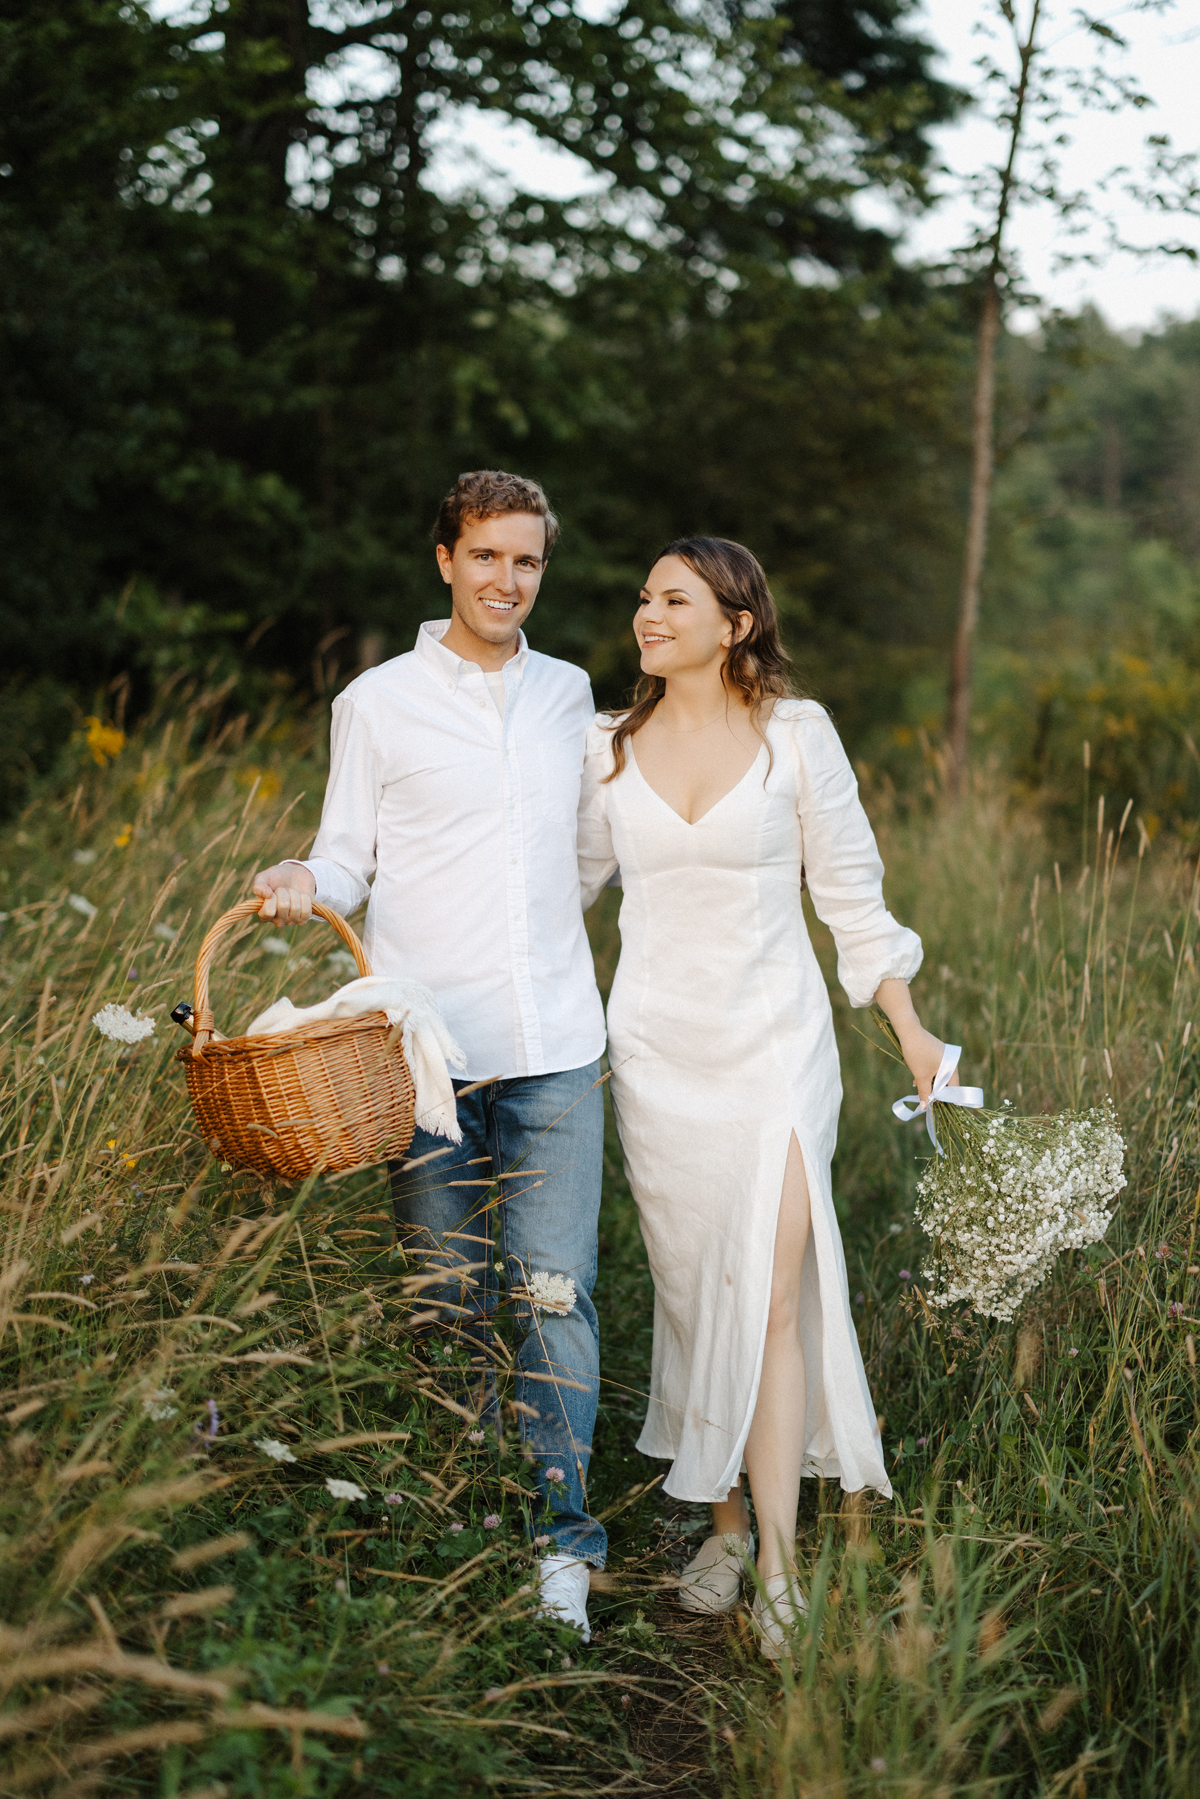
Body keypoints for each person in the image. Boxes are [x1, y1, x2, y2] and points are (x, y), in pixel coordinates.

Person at [577, 536, 952, 1659]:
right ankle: (726, 1524)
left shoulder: (798, 734)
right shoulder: (605, 747)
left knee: (776, 1293)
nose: (649, 615)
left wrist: (912, 1030)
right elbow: (555, 892)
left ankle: (781, 1563)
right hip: (658, 1054)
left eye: (675, 598)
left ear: (735, 622)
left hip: (776, 1047)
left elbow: (852, 897)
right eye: (645, 598)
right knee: (698, 1292)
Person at [250, 469, 607, 1642]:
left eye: (527, 560)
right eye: (487, 555)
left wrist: (542, 936)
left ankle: (560, 1544)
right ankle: (460, 1520)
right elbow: (346, 855)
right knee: (444, 1301)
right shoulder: (378, 701)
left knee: (553, 1297)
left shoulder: (570, 694)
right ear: (446, 559)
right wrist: (303, 878)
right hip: (424, 1062)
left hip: (556, 1047)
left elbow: (586, 851)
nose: (508, 579)